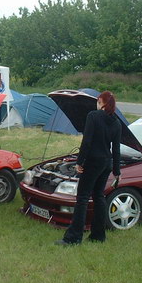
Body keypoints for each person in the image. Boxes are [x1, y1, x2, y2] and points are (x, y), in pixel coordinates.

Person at [55, 91, 122, 246]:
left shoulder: (93, 116)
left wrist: (80, 162)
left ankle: (73, 238)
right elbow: (116, 149)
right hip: (106, 163)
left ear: (101, 102)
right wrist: (117, 171)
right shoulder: (117, 122)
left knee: (82, 198)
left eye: (98, 102)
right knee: (99, 196)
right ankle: (98, 235)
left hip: (93, 162)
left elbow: (87, 141)